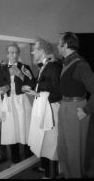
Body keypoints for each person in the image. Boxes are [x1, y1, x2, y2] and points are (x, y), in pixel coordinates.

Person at [56, 32, 94, 178]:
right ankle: (68, 174)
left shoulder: (80, 64)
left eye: (59, 44)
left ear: (65, 45)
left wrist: (86, 110)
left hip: (75, 108)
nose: (57, 47)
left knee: (74, 151)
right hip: (65, 106)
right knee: (63, 147)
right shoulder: (67, 62)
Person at [23, 38, 62, 179]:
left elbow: (58, 93)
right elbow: (44, 87)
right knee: (43, 139)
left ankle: (50, 174)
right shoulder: (44, 66)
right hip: (43, 107)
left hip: (51, 109)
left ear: (42, 51)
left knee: (51, 141)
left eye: (35, 49)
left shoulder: (53, 67)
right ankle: (45, 167)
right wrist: (31, 80)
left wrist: (38, 94)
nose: (32, 52)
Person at [0, 43, 34, 166]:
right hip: (9, 101)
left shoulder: (25, 67)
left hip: (22, 101)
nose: (14, 55)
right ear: (7, 54)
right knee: (12, 130)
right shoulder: (2, 68)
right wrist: (3, 88)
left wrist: (20, 75)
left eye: (16, 52)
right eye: (11, 52)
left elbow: (32, 83)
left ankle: (29, 156)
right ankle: (15, 159)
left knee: (25, 128)